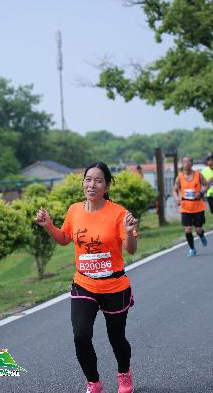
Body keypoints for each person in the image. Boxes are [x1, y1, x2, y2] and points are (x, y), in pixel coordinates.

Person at [35, 162, 138, 393]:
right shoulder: (74, 211)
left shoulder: (119, 213)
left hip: (114, 285)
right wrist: (48, 225)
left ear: (106, 185)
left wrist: (130, 232)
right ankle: (93, 382)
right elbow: (64, 239)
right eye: (88, 179)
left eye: (98, 180)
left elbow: (130, 249)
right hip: (84, 284)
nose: (91, 184)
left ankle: (124, 374)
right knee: (81, 335)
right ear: (83, 182)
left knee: (117, 338)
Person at [173, 156, 209, 257]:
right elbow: (175, 190)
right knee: (188, 229)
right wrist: (177, 198)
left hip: (198, 206)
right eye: (184, 162)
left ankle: (201, 235)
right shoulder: (179, 177)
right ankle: (192, 249)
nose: (187, 164)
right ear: (182, 164)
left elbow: (206, 185)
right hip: (185, 207)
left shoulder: (198, 174)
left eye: (189, 162)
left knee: (198, 229)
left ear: (192, 163)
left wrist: (201, 192)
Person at [201, 155, 213, 240]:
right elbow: (203, 185)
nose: (211, 166)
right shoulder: (204, 171)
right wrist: (209, 182)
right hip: (210, 195)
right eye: (210, 165)